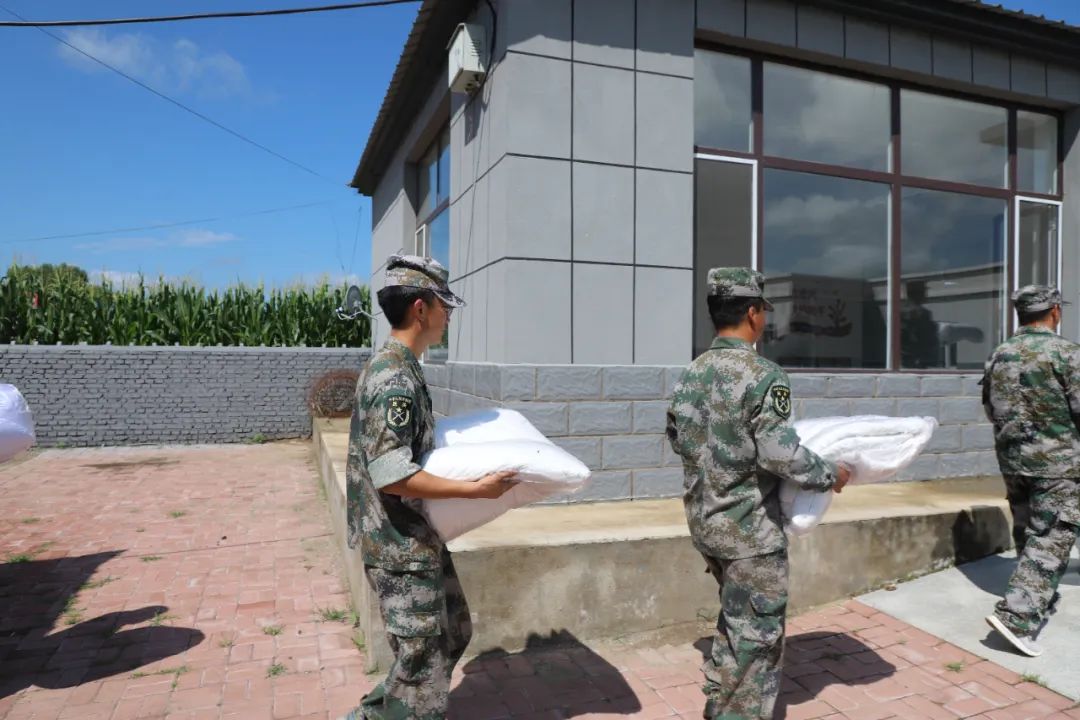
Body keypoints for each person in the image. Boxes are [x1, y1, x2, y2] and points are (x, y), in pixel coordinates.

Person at [666, 267, 851, 719]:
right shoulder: (764, 375)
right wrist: (831, 473)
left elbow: (677, 438)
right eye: (763, 311)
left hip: (706, 524)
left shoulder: (691, 372)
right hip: (750, 533)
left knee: (736, 620)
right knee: (758, 638)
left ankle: (720, 699)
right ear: (752, 312)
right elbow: (779, 453)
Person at [339, 254, 516, 720]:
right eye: (445, 306)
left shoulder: (404, 366)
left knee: (451, 633)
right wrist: (477, 490)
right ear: (421, 309)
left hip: (416, 537)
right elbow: (392, 474)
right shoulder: (394, 378)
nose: (449, 315)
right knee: (422, 663)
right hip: (398, 545)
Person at [982, 285, 1080, 658]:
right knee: (1051, 535)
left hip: (1012, 459)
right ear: (1054, 311)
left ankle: (1035, 592)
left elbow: (990, 408)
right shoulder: (1067, 353)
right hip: (1057, 463)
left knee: (1028, 528)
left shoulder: (999, 354)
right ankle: (1018, 616)